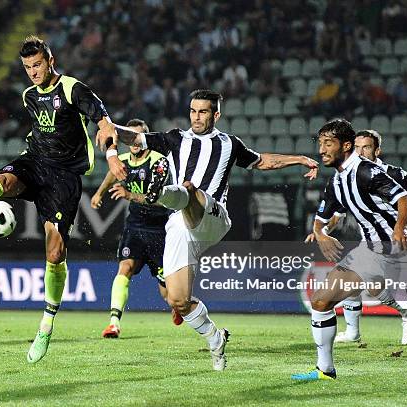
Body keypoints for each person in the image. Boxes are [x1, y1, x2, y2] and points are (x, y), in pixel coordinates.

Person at [97, 89, 319, 370]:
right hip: (180, 225)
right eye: (193, 110)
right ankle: (215, 338)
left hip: (213, 215)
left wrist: (299, 159)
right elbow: (134, 137)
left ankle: (161, 192)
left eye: (203, 111)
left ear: (216, 114)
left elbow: (262, 161)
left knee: (189, 191)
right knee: (178, 301)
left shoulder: (229, 144)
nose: (197, 117)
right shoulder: (175, 139)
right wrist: (108, 126)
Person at [0, 35, 115, 364]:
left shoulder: (72, 88)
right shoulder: (29, 96)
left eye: (37, 64)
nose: (32, 71)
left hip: (64, 177)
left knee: (55, 251)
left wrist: (105, 131)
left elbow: (100, 114)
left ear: (50, 60)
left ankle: (46, 325)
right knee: (4, 183)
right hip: (35, 161)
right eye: (27, 67)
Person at [293, 119, 407, 381]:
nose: (322, 150)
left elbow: (404, 200)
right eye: (321, 144)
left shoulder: (367, 172)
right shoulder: (336, 182)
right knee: (321, 301)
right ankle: (325, 371)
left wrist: (397, 230)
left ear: (345, 146)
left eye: (329, 144)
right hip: (370, 251)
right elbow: (322, 216)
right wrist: (320, 234)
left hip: (406, 252)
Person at [91, 118, 182, 339]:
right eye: (129, 137)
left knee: (169, 294)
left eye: (137, 137)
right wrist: (99, 193)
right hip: (135, 227)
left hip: (159, 230)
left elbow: (162, 199)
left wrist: (130, 195)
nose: (134, 142)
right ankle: (114, 323)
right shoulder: (122, 161)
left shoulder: (159, 162)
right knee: (125, 268)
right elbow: (113, 173)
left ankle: (178, 306)